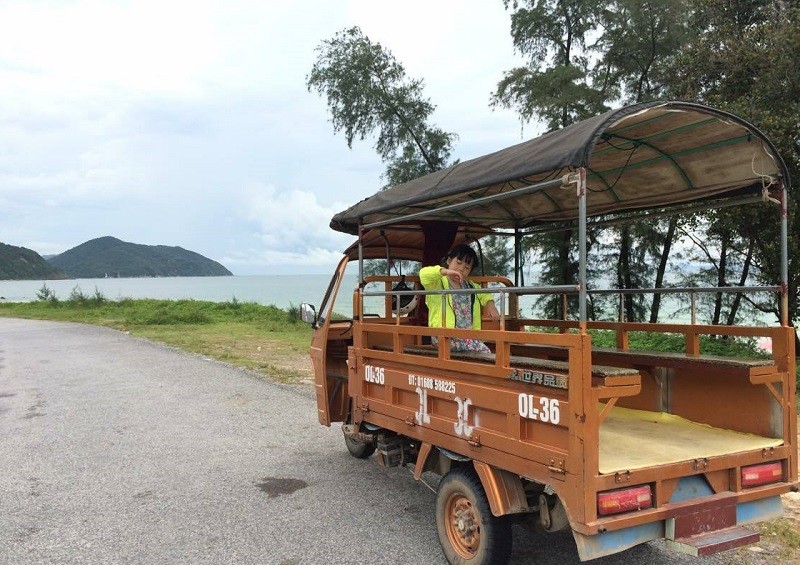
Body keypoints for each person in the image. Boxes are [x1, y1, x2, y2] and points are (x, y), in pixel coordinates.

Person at [419, 244, 500, 353]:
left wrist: (491, 305)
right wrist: (445, 272)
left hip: (467, 336)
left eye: (467, 268)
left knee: (481, 349)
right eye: (458, 263)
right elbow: (423, 274)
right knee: (485, 352)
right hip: (444, 336)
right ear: (448, 261)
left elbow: (485, 294)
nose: (461, 268)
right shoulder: (438, 283)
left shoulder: (470, 286)